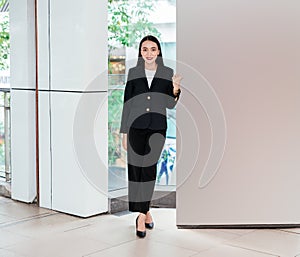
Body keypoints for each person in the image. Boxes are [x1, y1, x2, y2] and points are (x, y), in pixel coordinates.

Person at [120, 35, 182, 238]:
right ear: (140, 52)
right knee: (135, 171)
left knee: (147, 169)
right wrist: (123, 132)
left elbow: (169, 104)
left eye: (152, 49)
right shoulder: (133, 72)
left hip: (156, 129)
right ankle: (146, 211)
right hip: (135, 129)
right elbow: (127, 103)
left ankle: (139, 216)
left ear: (158, 52)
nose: (148, 53)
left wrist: (175, 89)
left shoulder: (166, 72)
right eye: (145, 49)